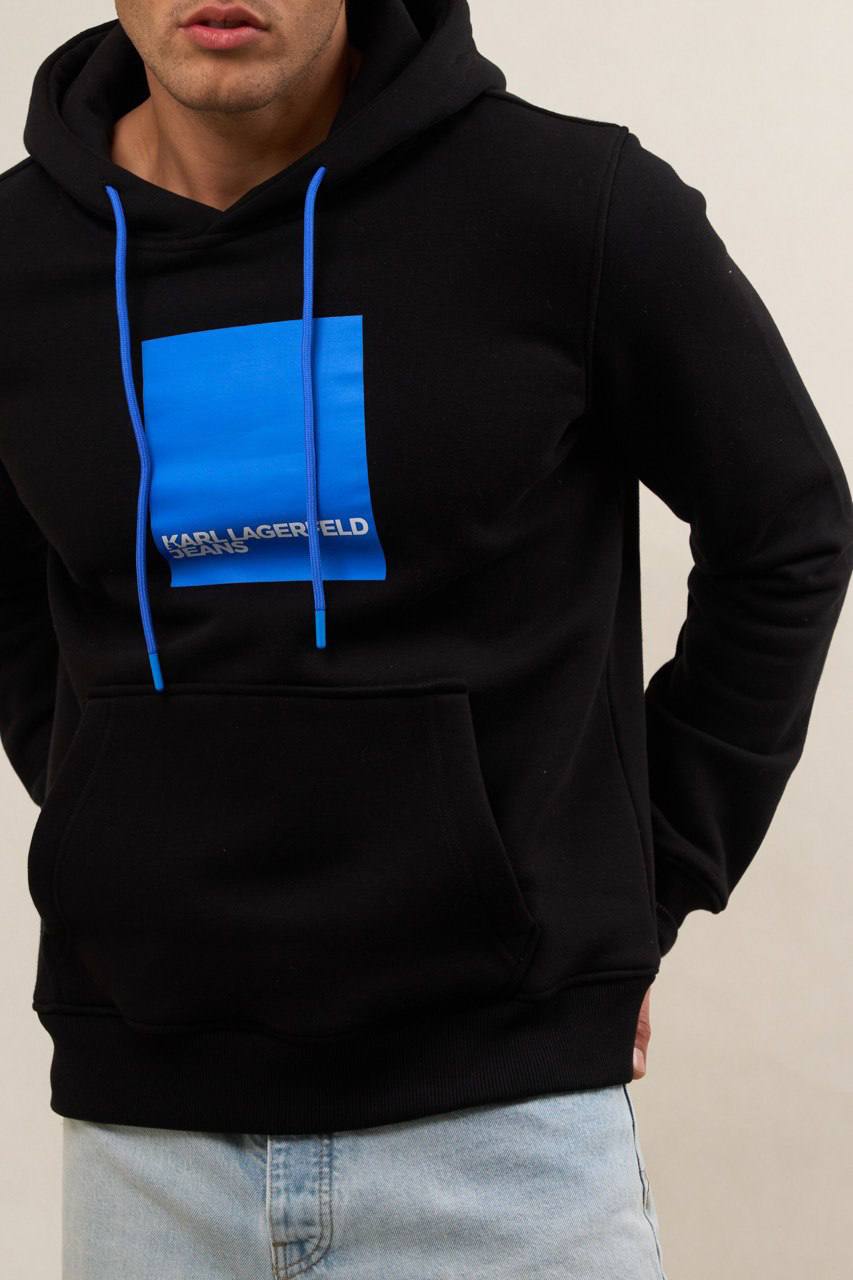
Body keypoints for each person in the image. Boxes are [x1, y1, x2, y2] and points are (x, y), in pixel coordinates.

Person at [2, 0, 850, 1275]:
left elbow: (786, 528)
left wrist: (644, 874)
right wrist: (116, 814)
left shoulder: (569, 205)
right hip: (148, 1155)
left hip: (503, 1140)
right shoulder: (17, 260)